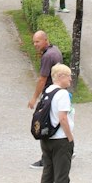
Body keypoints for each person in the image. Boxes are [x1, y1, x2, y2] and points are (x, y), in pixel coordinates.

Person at [39, 63, 76, 183]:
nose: (70, 79)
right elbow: (62, 118)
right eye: (68, 76)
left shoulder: (47, 91)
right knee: (62, 173)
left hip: (46, 139)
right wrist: (70, 137)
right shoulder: (62, 94)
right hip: (60, 139)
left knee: (48, 172)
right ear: (60, 76)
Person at [29, 31, 63, 168]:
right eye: (34, 42)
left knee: (44, 124)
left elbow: (42, 79)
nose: (35, 44)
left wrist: (34, 98)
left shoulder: (47, 56)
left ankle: (46, 159)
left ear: (45, 40)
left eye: (37, 41)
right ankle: (65, 149)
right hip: (60, 93)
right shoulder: (55, 50)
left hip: (50, 95)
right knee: (58, 122)